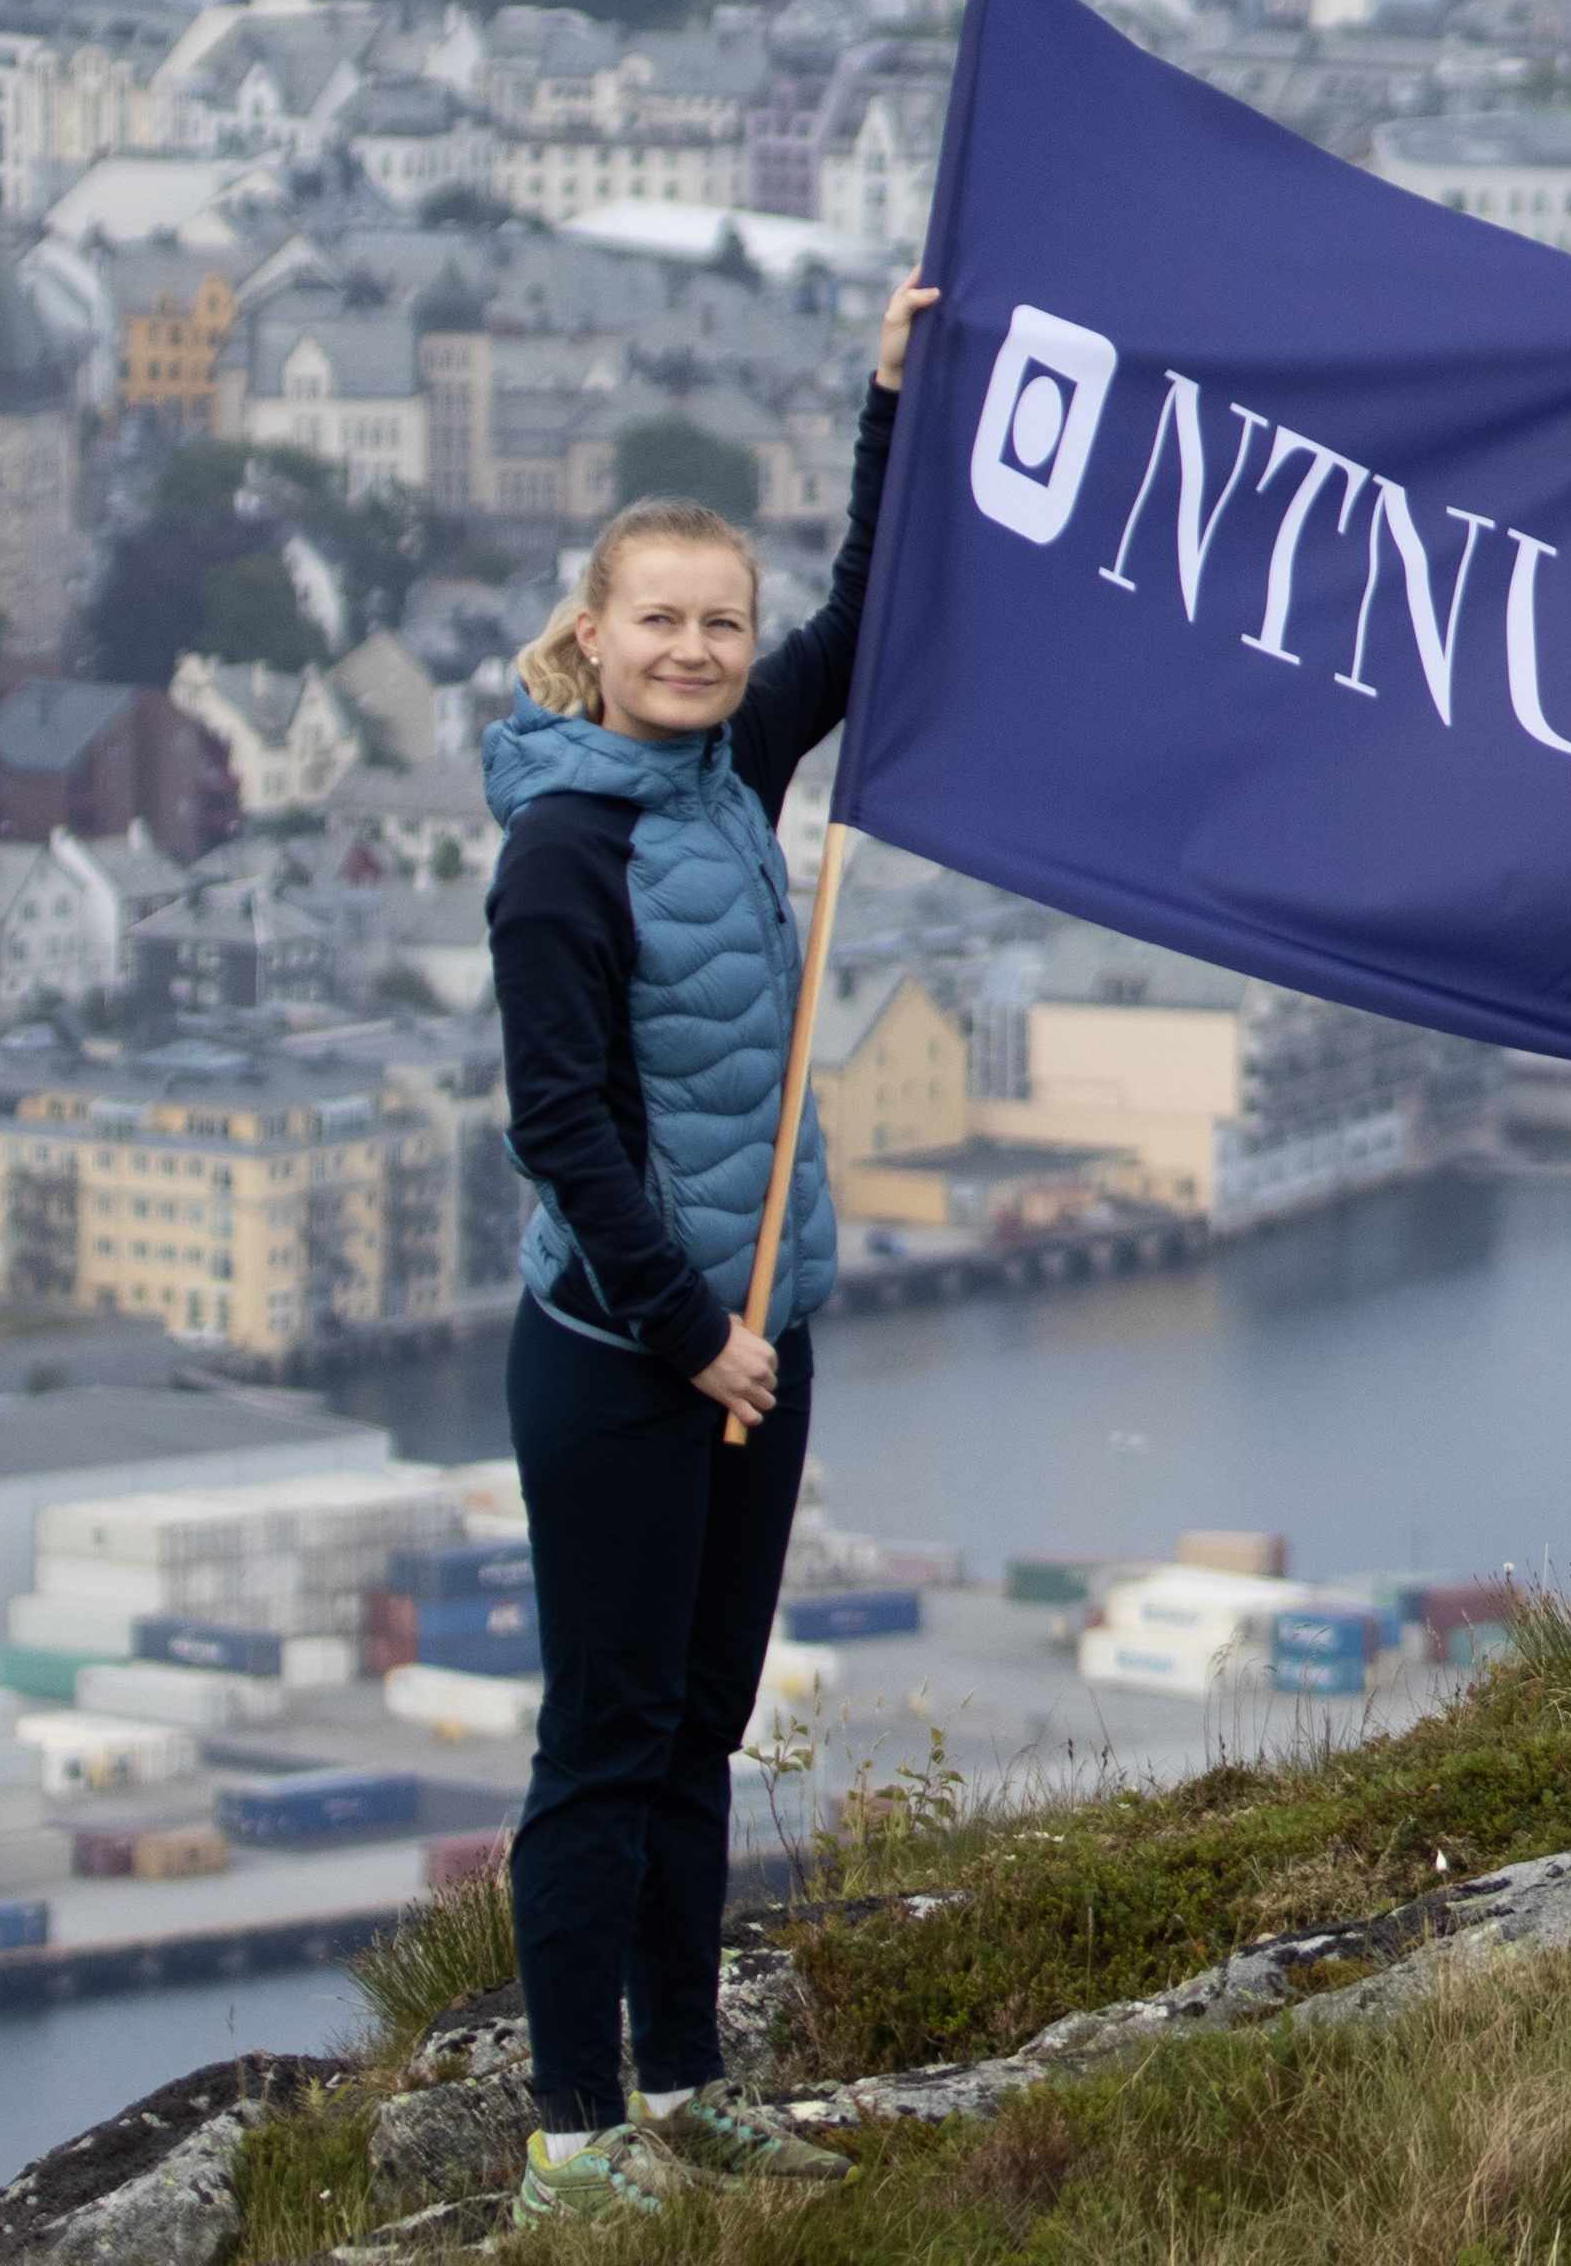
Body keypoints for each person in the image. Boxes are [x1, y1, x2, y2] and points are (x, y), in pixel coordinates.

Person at [479, 273, 927, 2229]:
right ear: (592, 633)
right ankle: (572, 2133)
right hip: (625, 1350)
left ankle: (686, 2082)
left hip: (766, 1327)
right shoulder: (562, 843)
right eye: (657, 617)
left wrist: (894, 399)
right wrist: (698, 1335)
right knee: (607, 1739)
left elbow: (872, 617)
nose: (693, 644)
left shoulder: (736, 767)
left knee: (703, 1731)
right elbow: (562, 1124)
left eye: (716, 622)